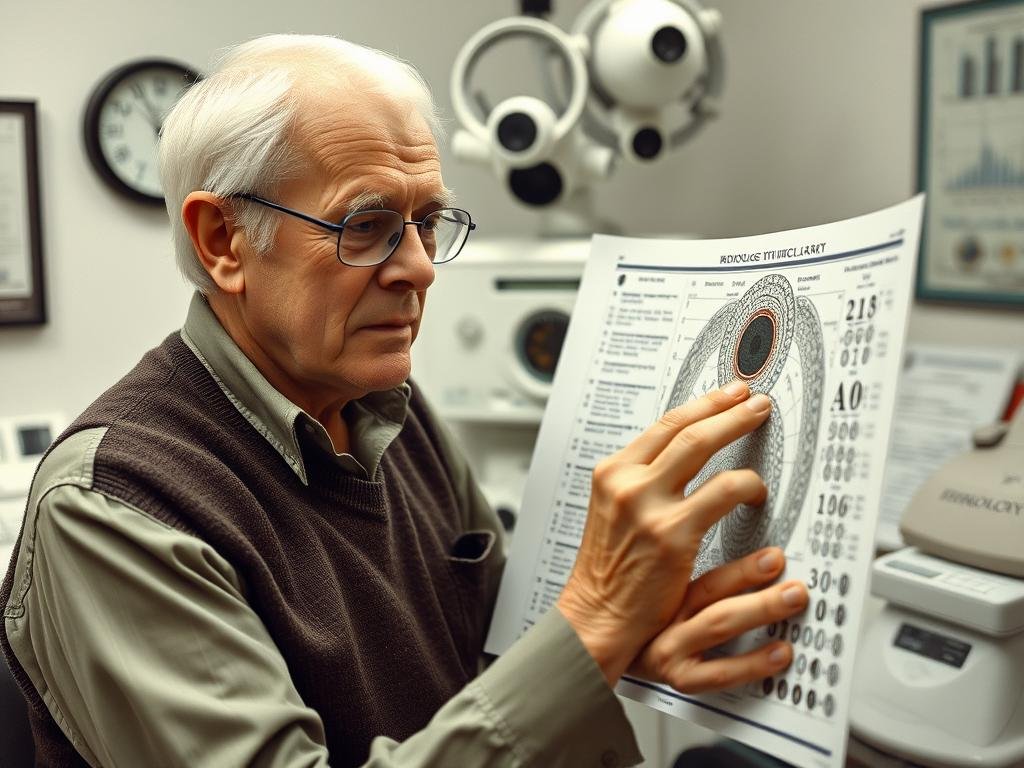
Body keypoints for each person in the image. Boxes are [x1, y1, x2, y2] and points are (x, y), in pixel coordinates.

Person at [0, 34, 808, 767]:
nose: (419, 268)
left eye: (428, 223)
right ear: (224, 243)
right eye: (367, 223)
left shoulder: (389, 405)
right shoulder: (117, 506)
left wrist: (621, 643)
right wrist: (593, 626)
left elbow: (499, 662)